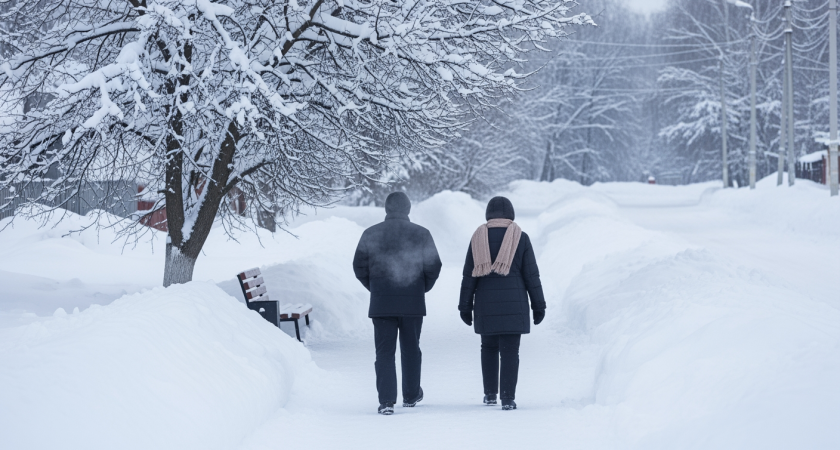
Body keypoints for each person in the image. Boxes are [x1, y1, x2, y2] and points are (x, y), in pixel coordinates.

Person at [353, 192, 442, 415]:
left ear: (387, 209)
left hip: (382, 303)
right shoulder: (422, 234)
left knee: (384, 352)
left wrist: (375, 288)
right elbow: (434, 266)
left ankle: (386, 401)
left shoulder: (370, 234)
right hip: (412, 303)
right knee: (411, 348)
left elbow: (359, 267)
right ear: (408, 209)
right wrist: (421, 288)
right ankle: (411, 395)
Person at [458, 196, 546, 411]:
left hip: (485, 305)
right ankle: (507, 398)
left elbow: (469, 276)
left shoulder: (478, 236)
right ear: (511, 214)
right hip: (514, 305)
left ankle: (490, 394)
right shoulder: (521, 237)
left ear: (488, 214)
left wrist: (465, 306)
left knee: (488, 348)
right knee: (510, 351)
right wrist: (538, 305)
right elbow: (531, 275)